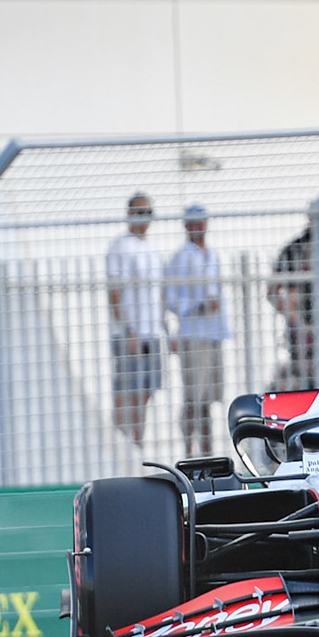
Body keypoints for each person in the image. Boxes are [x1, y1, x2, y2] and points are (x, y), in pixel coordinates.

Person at [165, 204, 230, 457]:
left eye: (202, 221)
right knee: (193, 396)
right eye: (194, 222)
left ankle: (208, 452)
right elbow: (169, 297)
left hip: (214, 334)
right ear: (186, 226)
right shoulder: (181, 257)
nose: (199, 226)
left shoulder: (212, 254)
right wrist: (197, 306)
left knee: (209, 398)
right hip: (193, 335)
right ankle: (188, 451)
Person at [105, 191, 164, 444]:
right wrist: (128, 330)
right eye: (140, 212)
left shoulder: (150, 249)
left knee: (146, 390)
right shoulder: (121, 247)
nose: (144, 218)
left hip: (151, 332)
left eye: (148, 213)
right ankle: (121, 439)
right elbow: (114, 291)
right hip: (130, 333)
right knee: (127, 388)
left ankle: (137, 440)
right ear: (129, 214)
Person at [268, 221, 314, 388]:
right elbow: (272, 291)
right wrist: (293, 315)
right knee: (303, 378)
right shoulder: (294, 250)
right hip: (301, 329)